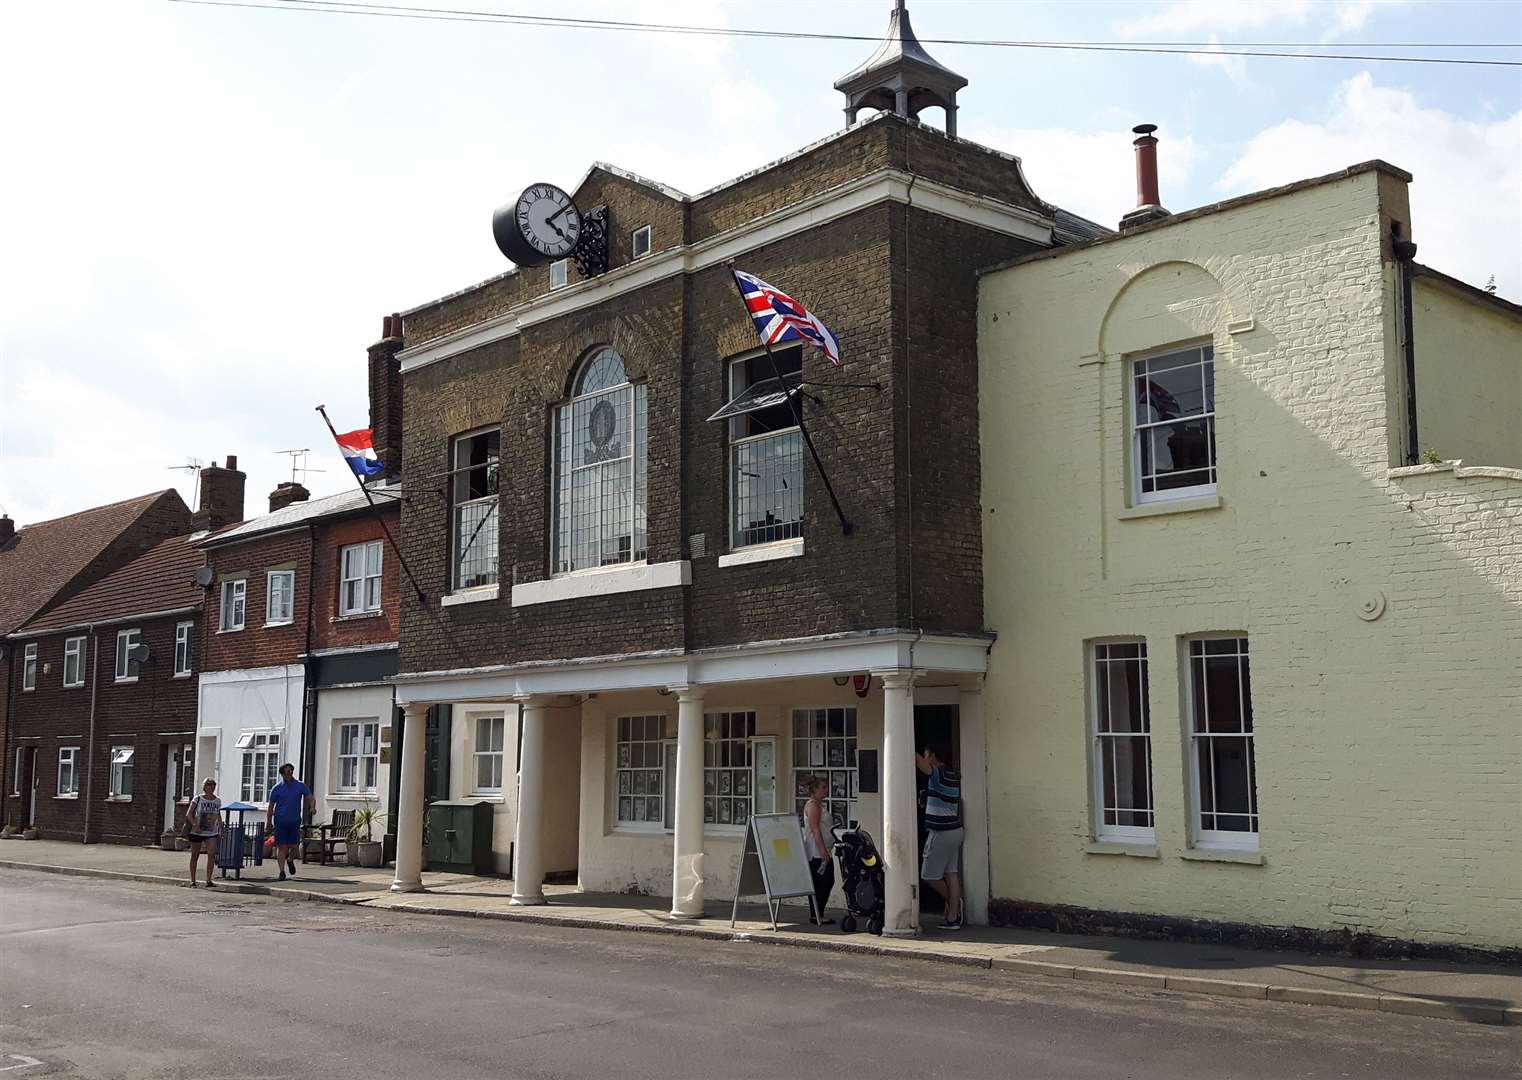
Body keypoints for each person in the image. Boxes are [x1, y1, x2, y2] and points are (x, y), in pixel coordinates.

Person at [916, 743, 963, 930]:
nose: (926, 759)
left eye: (927, 755)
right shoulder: (953, 774)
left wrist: (908, 746)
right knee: (951, 873)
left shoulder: (939, 774)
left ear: (933, 757)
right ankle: (952, 917)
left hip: (941, 832)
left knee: (928, 875)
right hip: (955, 830)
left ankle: (955, 904)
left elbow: (922, 765)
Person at [266, 763, 314, 881]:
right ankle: (282, 871)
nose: (289, 774)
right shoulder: (277, 788)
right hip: (280, 821)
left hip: (294, 820)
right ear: (282, 774)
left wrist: (312, 807)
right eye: (287, 772)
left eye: (291, 771)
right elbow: (271, 806)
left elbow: (310, 797)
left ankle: (290, 860)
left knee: (294, 846)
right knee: (282, 846)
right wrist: (268, 821)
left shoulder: (300, 785)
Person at [801, 775, 835, 926]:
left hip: (823, 849)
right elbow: (815, 829)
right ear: (814, 790)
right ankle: (816, 914)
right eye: (823, 787)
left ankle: (817, 913)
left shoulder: (819, 805)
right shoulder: (813, 805)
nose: (826, 790)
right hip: (816, 851)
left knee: (825, 881)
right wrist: (822, 851)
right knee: (824, 880)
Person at [185, 778, 222, 888]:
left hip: (211, 831)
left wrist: (221, 828)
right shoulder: (198, 798)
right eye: (209, 785)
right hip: (197, 831)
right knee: (195, 855)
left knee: (211, 854)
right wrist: (195, 825)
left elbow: (218, 815)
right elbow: (189, 814)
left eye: (213, 785)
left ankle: (208, 880)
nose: (211, 787)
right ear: (204, 786)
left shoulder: (217, 801)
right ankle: (193, 880)